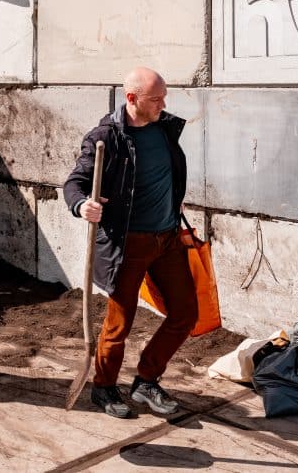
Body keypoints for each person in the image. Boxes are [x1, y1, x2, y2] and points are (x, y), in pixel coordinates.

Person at [63, 66, 197, 419]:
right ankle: (104, 387)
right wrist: (83, 205)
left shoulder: (165, 129)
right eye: (156, 98)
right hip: (128, 244)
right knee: (120, 322)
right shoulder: (105, 137)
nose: (163, 104)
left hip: (167, 238)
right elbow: (74, 183)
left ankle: (147, 379)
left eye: (164, 96)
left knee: (185, 313)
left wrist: (174, 200)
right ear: (131, 98)